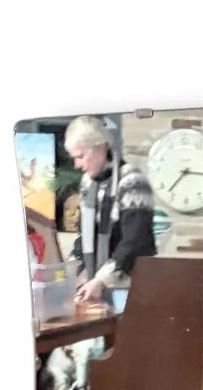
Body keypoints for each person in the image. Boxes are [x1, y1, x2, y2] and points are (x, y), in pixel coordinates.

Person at [64, 115, 156, 306]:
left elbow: (136, 241)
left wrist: (101, 280)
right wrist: (68, 269)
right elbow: (87, 237)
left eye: (80, 157)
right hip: (99, 285)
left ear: (99, 147)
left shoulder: (132, 181)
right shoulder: (88, 184)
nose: (77, 165)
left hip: (130, 287)